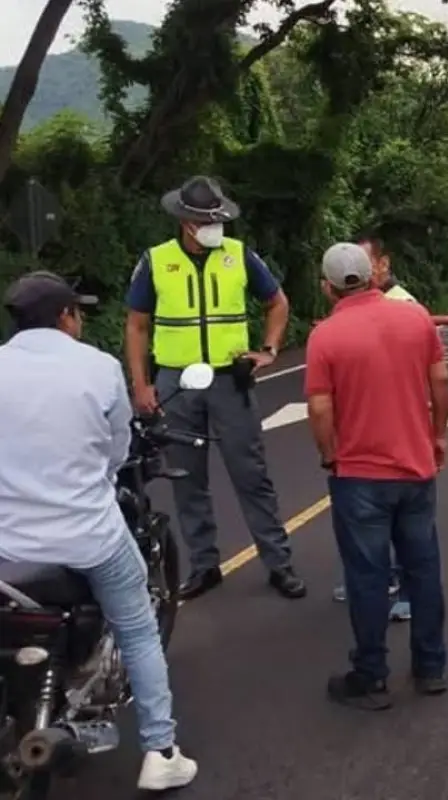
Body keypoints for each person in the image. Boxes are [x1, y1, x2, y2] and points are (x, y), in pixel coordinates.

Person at [0, 272, 198, 791]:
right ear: (67, 316)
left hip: (6, 542)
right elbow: (116, 451)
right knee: (136, 624)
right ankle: (161, 750)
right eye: (78, 312)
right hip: (87, 535)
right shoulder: (98, 366)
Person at [124, 175, 306, 601]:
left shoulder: (239, 256)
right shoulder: (156, 261)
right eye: (207, 220)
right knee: (188, 478)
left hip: (230, 378)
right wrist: (141, 384)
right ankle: (204, 565)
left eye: (218, 219)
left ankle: (279, 563)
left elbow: (277, 302)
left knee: (251, 474)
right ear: (187, 223)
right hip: (176, 381)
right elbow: (136, 324)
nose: (215, 227)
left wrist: (269, 348)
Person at [305, 242, 448, 710]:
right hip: (416, 468)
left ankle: (371, 676)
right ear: (374, 275)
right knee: (423, 569)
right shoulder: (416, 317)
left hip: (359, 476)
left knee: (367, 577)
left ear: (327, 287)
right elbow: (441, 380)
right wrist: (438, 436)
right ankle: (431, 668)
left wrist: (330, 455)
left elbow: (320, 408)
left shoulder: (326, 336)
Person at [324, 230, 420, 623]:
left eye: (364, 264)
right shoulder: (345, 313)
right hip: (358, 440)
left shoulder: (406, 307)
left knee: (405, 529)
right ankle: (373, 580)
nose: (356, 273)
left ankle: (401, 591)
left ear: (382, 265)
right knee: (363, 524)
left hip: (396, 441)